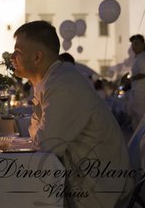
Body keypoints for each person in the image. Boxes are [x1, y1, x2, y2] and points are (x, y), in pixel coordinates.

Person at [10, 20, 133, 207]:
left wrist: (37, 133)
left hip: (99, 190)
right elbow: (38, 133)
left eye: (17, 52)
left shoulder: (63, 85)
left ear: (37, 57)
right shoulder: (53, 81)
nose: (12, 57)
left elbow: (46, 144)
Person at [127, 34, 145, 130]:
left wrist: (132, 78)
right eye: (133, 44)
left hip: (141, 93)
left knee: (141, 119)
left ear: (143, 44)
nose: (134, 47)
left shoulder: (143, 57)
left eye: (137, 44)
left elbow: (143, 73)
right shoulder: (138, 58)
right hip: (136, 92)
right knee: (137, 121)